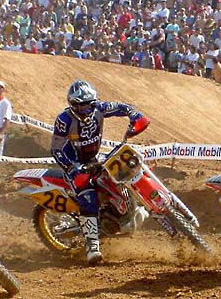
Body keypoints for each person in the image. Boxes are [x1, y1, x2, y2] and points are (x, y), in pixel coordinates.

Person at [51, 80, 149, 265]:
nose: (86, 109)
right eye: (80, 106)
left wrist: (135, 116)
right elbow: (56, 149)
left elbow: (122, 107)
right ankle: (92, 246)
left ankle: (128, 210)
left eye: (89, 104)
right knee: (88, 198)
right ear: (72, 104)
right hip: (75, 165)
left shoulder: (99, 108)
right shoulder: (64, 120)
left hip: (94, 158)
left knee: (126, 171)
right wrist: (72, 168)